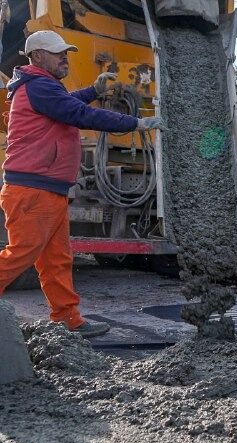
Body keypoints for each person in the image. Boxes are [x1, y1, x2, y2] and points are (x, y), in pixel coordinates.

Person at [0, 30, 164, 337]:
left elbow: (68, 103)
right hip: (33, 190)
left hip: (48, 189)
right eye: (57, 52)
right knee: (19, 256)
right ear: (36, 56)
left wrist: (92, 89)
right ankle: (66, 317)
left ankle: (67, 318)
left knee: (57, 259)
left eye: (66, 52)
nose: (65, 57)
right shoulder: (39, 86)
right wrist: (136, 122)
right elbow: (78, 113)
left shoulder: (42, 87)